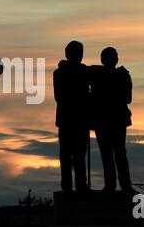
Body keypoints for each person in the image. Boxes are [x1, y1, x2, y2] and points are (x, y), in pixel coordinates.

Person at [90, 47, 135, 194]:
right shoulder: (121, 75)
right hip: (110, 119)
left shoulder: (98, 74)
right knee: (116, 153)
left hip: (109, 119)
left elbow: (128, 98)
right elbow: (128, 98)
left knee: (112, 153)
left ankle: (116, 185)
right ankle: (120, 185)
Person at [53, 41, 89, 192]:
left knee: (77, 154)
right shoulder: (63, 72)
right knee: (69, 155)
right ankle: (71, 185)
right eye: (78, 53)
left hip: (75, 119)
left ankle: (78, 185)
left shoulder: (65, 71)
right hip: (71, 119)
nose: (80, 56)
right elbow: (59, 96)